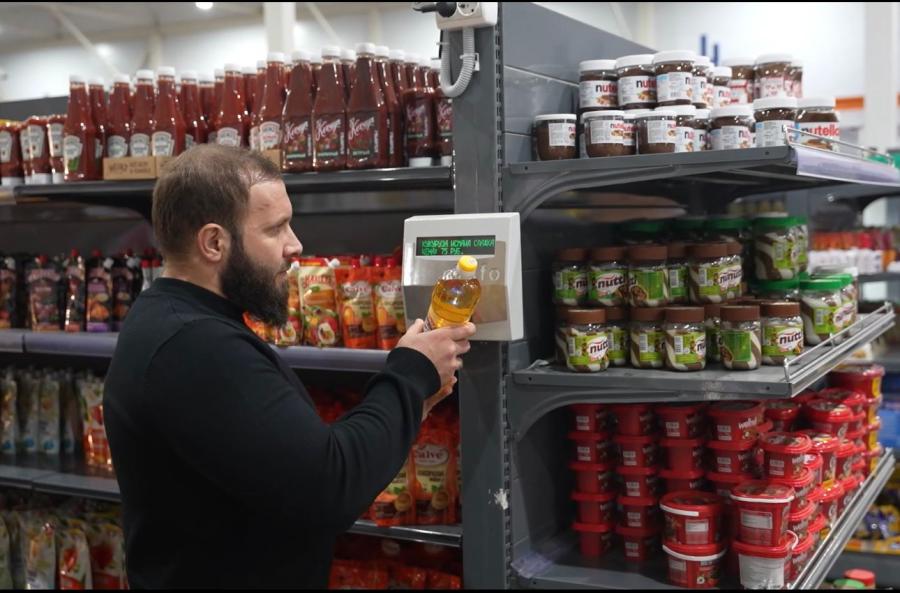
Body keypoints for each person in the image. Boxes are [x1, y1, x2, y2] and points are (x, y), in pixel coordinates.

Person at [103, 144, 475, 588]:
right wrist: (411, 374)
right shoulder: (193, 346)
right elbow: (329, 486)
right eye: (275, 228)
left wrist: (417, 397)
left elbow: (293, 466)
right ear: (214, 242)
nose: (295, 245)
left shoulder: (175, 321)